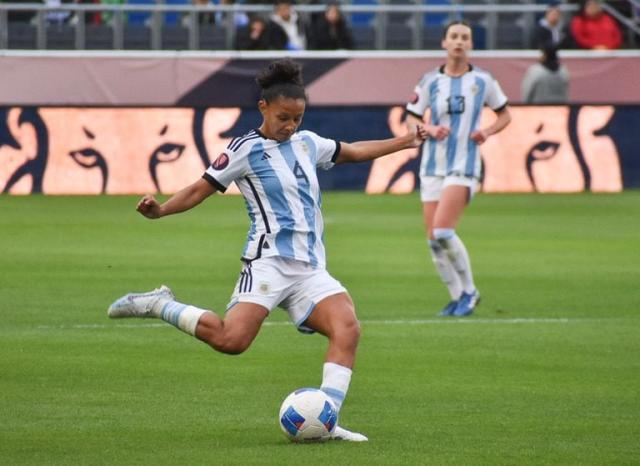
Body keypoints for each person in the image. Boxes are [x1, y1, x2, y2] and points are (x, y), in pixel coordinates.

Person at [107, 59, 427, 441]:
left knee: (347, 328)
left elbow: (354, 151)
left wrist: (405, 142)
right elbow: (199, 189)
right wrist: (160, 211)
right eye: (283, 117)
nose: (291, 126)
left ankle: (326, 421)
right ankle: (159, 303)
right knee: (231, 341)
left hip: (310, 268)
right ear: (264, 108)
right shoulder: (244, 149)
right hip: (268, 263)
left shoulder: (308, 144)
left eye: (297, 118)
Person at [404, 20, 512, 317]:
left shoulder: (483, 80)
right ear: (444, 43)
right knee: (433, 241)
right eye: (454, 36)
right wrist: (428, 128)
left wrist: (487, 131)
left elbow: (505, 115)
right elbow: (410, 118)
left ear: (471, 44)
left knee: (442, 230)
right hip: (431, 167)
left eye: (465, 37)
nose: (459, 42)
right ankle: (457, 297)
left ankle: (470, 291)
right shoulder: (429, 81)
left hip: (464, 164)